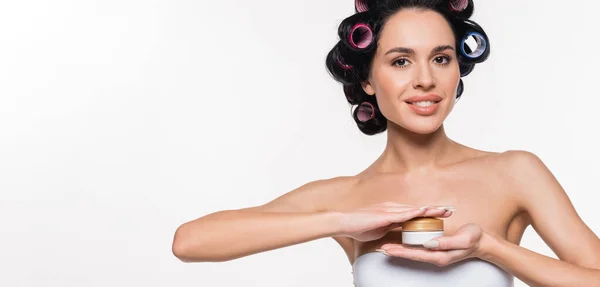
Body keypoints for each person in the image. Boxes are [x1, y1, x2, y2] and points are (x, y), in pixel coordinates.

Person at [172, 0, 600, 286]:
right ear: (368, 80)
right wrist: (341, 222)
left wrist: (491, 248)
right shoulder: (346, 197)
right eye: (400, 61)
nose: (426, 80)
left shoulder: (514, 172)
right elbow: (190, 242)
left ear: (457, 69)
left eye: (441, 58)